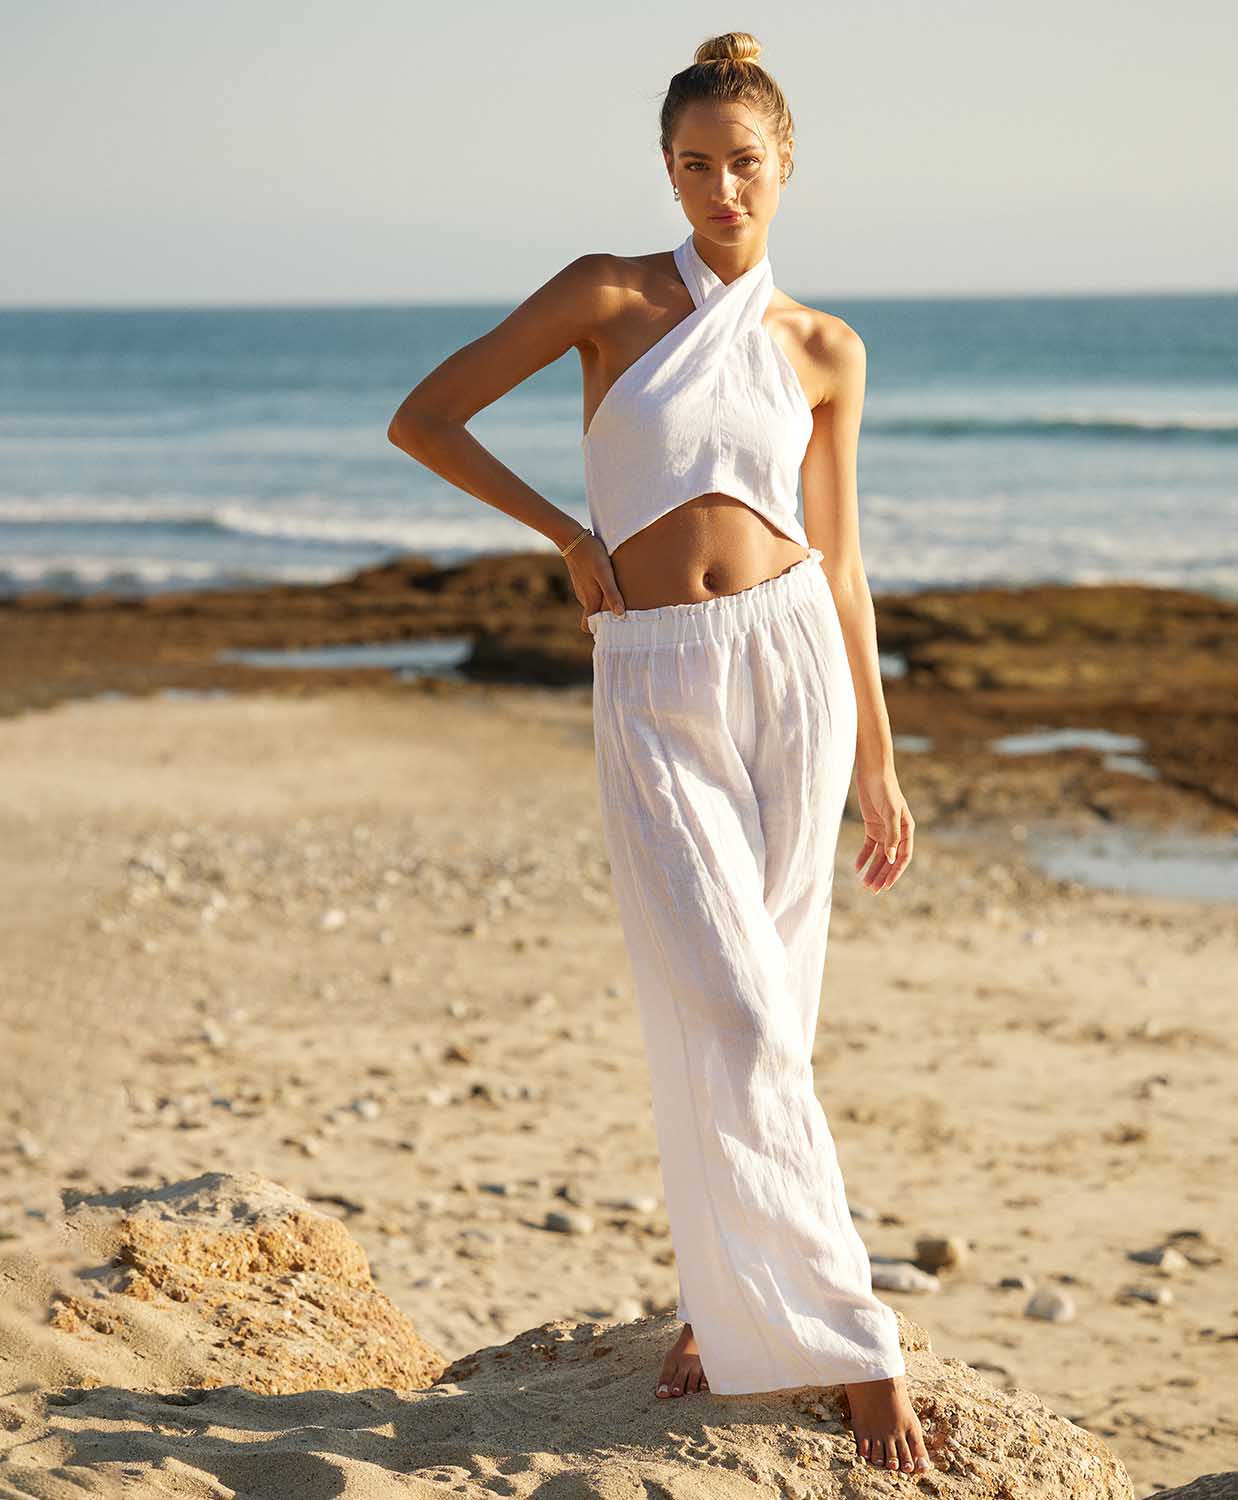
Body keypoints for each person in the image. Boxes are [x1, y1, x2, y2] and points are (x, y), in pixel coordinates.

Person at [387, 30, 933, 1478]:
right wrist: (569, 538)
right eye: (692, 165)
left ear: (785, 164)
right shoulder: (605, 297)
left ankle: (730, 1301)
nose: (718, 189)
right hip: (652, 669)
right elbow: (423, 417)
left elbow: (849, 562)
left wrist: (880, 756)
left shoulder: (824, 348)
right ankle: (853, 1346)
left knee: (774, 1008)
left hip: (794, 668)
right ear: (667, 171)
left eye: (742, 162)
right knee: (722, 1007)